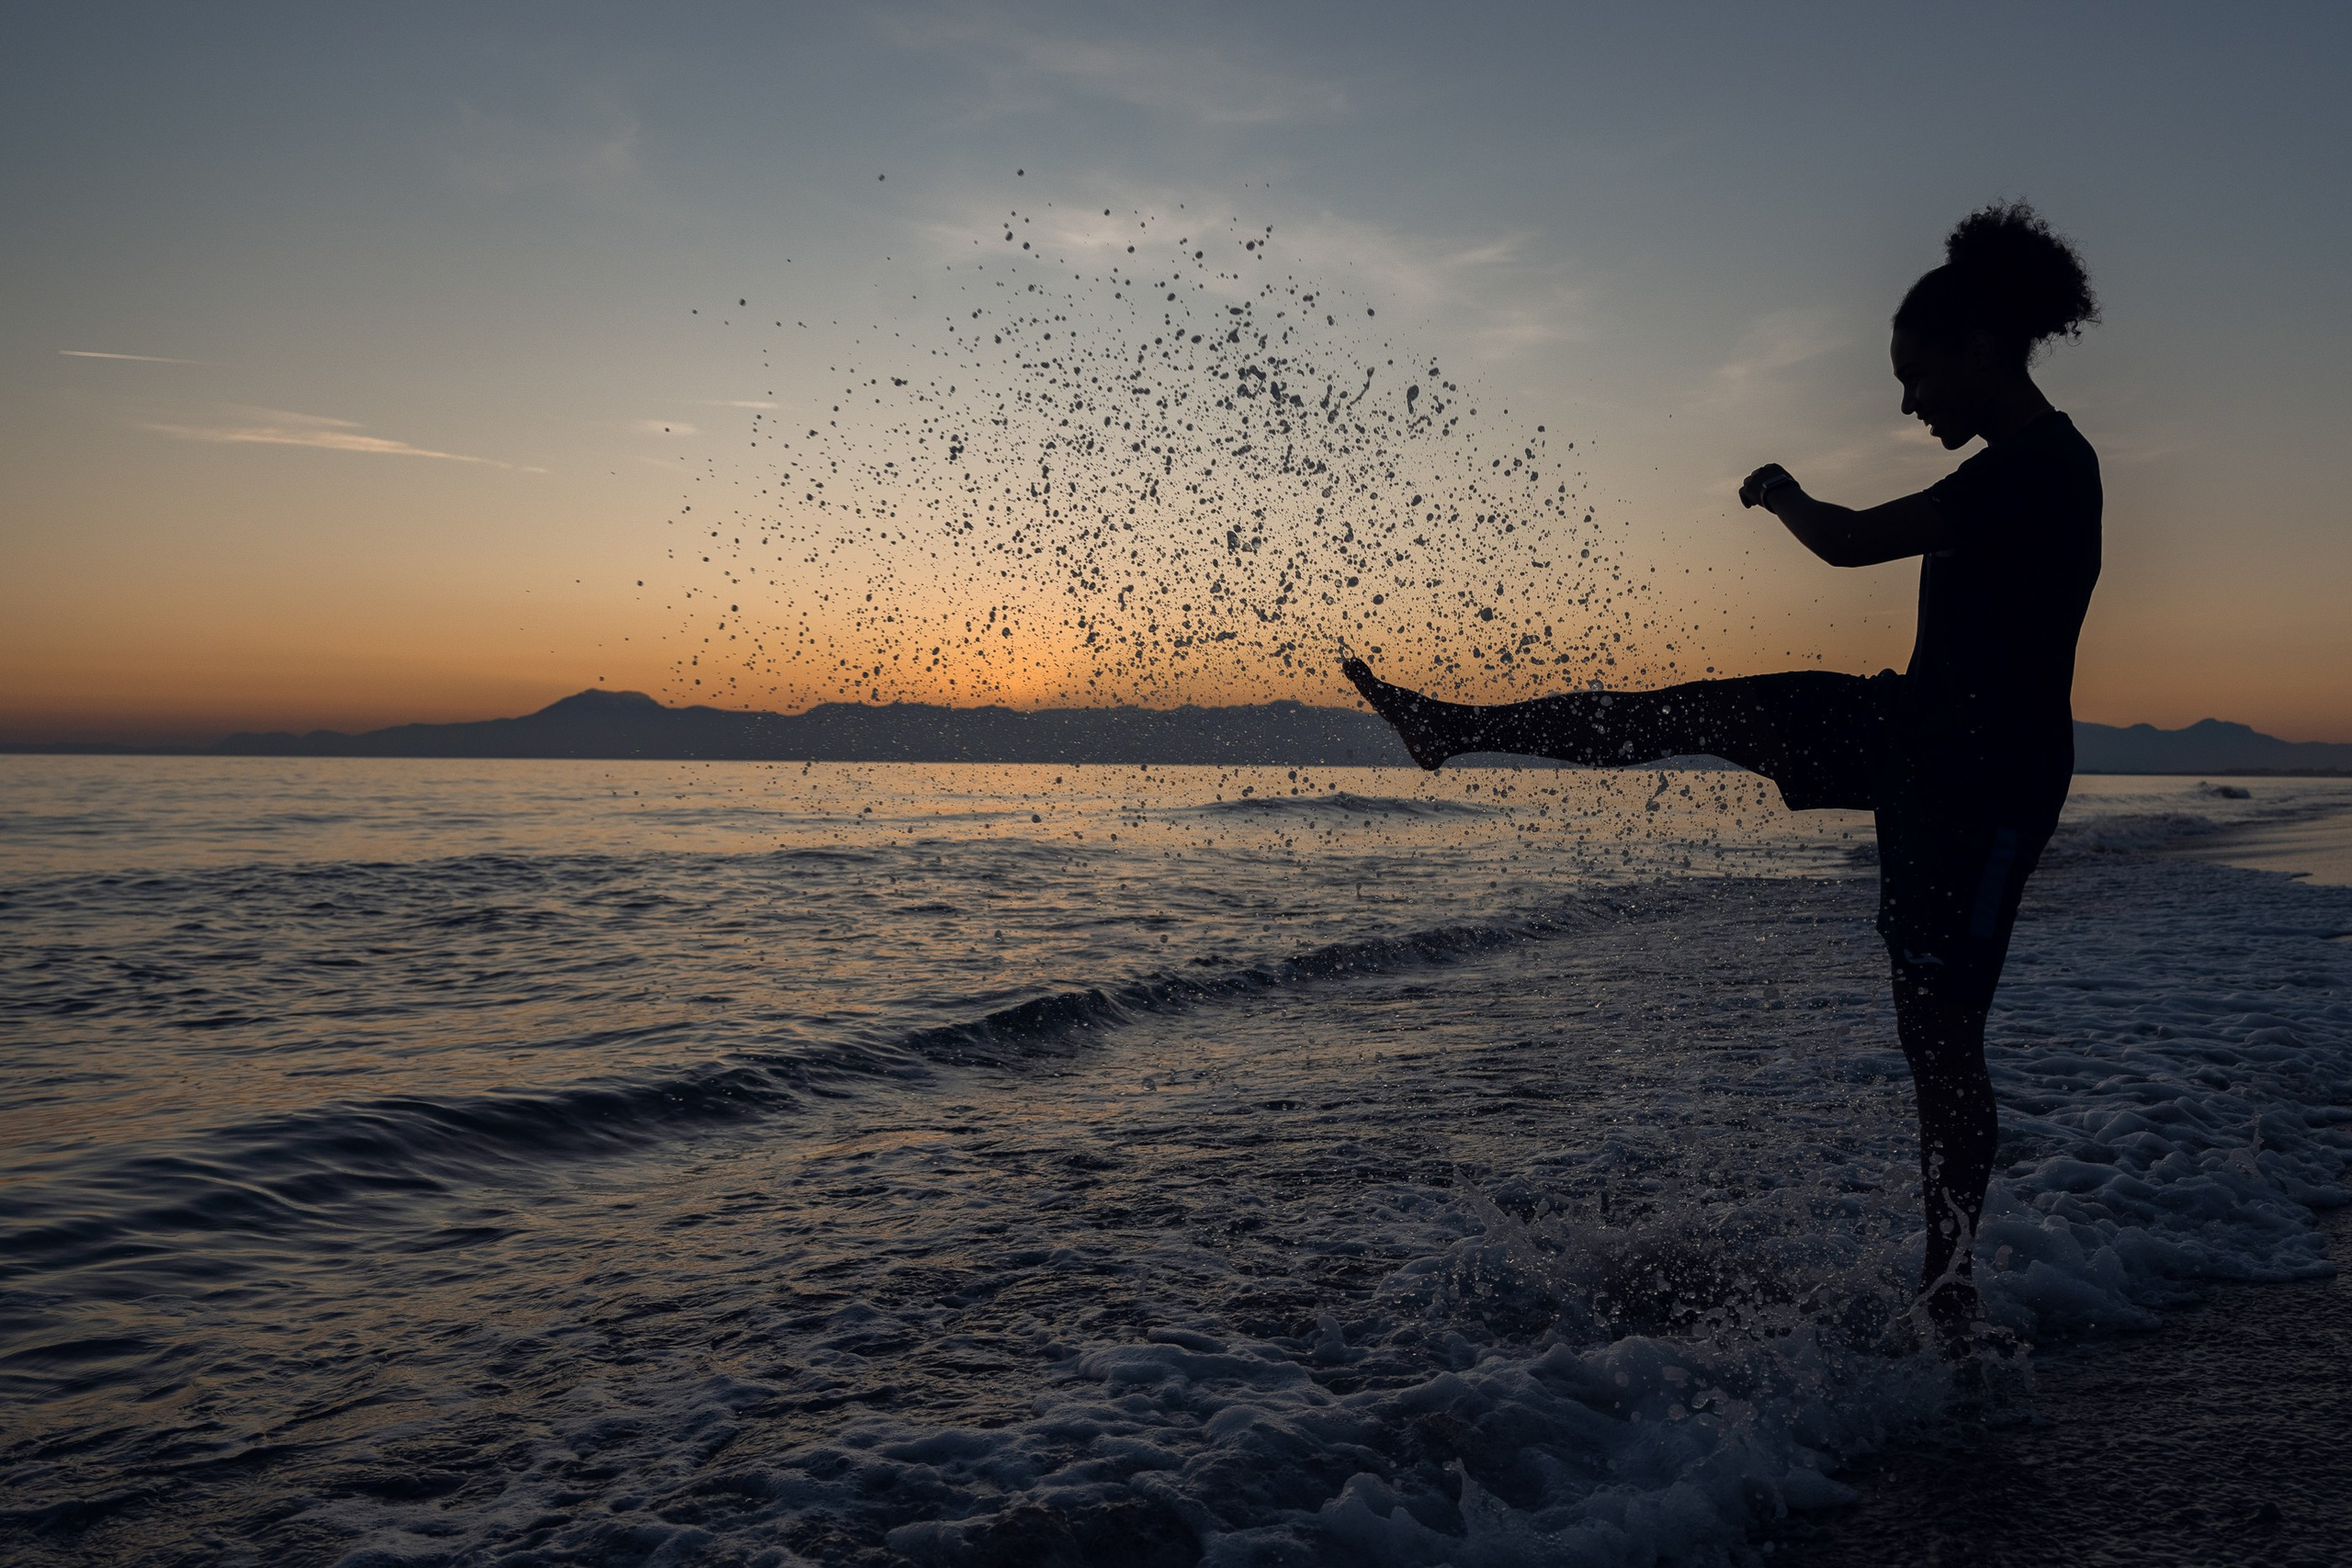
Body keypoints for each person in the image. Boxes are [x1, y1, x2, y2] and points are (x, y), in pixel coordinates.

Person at [1343, 201, 2101, 1349]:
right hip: (1906, 736)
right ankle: (1452, 728)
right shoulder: (2014, 467)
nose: (1908, 403)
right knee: (1683, 712)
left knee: (1941, 1041)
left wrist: (1780, 491)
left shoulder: (2044, 466)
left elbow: (1849, 542)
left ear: (1978, 349)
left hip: (1983, 788)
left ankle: (1948, 1287)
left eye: (1914, 377)